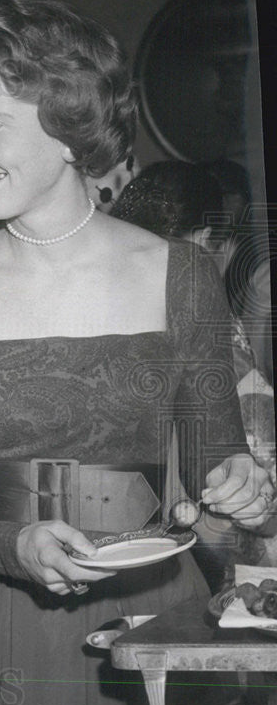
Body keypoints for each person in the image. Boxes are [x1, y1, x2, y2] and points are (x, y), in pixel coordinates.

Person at [0, 0, 274, 705]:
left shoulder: (181, 276)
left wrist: (241, 484)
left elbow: (212, 462)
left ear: (67, 125)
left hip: (149, 612)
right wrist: (12, 544)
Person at [112, 159, 277, 576]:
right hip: (201, 559)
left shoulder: (96, 303)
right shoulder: (208, 322)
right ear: (204, 240)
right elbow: (260, 460)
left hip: (108, 546)